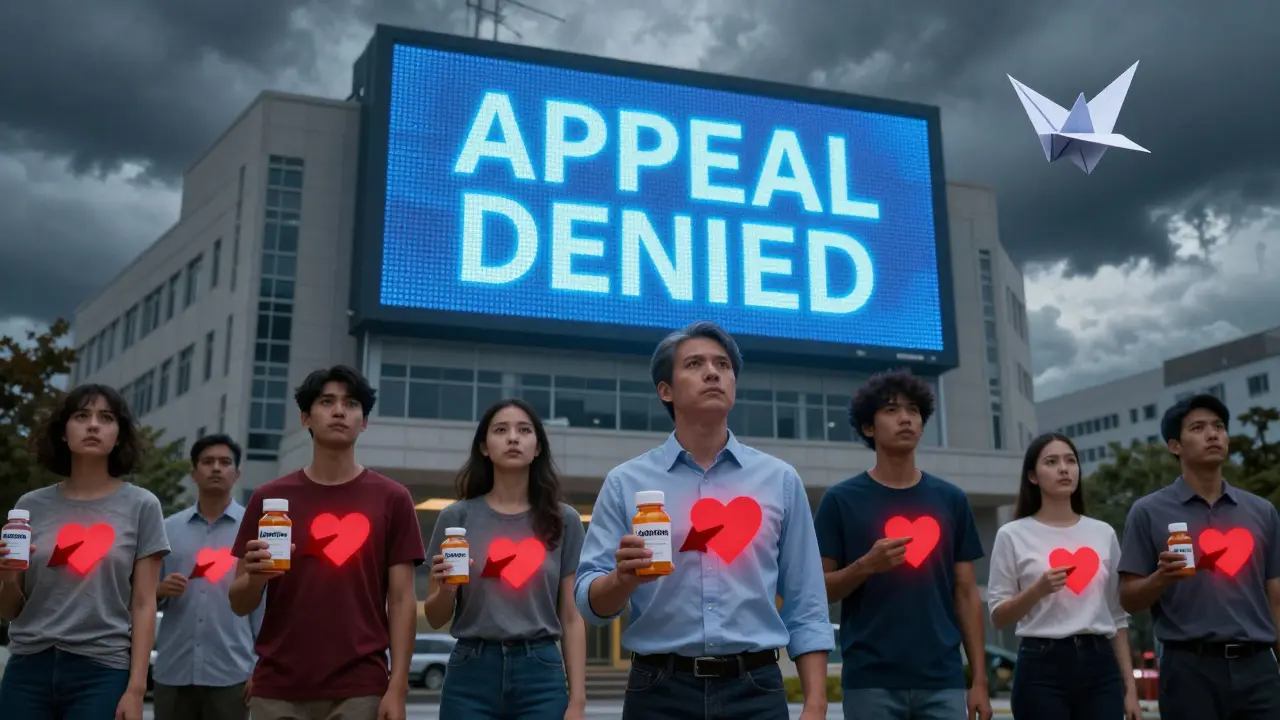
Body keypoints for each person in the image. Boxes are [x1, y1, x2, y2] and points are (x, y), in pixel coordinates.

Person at [575, 321, 834, 720]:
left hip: (756, 688)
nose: (713, 372)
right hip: (659, 689)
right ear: (666, 390)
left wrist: (816, 703)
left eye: (723, 365)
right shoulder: (626, 482)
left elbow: (807, 602)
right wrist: (621, 580)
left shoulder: (780, 480)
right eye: (694, 364)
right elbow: (589, 603)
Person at [227, 365, 426, 720]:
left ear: (363, 422)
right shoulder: (269, 499)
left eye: (351, 404)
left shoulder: (392, 498)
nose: (339, 411)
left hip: (360, 687)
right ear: (306, 418)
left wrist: (397, 686)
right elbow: (239, 603)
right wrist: (256, 579)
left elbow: (400, 601)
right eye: (326, 401)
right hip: (277, 687)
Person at [813, 369, 993, 720]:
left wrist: (980, 681)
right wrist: (866, 565)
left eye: (913, 410)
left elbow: (966, 593)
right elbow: (817, 589)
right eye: (892, 410)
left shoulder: (951, 499)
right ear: (868, 427)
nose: (906, 418)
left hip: (943, 679)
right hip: (870, 681)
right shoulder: (841, 500)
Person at [0, 384, 170, 719]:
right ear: (63, 432)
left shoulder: (142, 505)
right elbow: (11, 610)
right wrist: (6, 578)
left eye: (105, 418)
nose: (93, 425)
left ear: (119, 435)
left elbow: (144, 601)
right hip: (27, 667)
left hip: (102, 670)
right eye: (81, 416)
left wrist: (136, 689)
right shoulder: (29, 506)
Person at [1119, 394, 1280, 719]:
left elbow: (1276, 597)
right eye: (1198, 427)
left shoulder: (1261, 511)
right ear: (1175, 445)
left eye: (1219, 426)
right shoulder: (1148, 512)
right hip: (1188, 668)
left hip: (1258, 666)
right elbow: (1128, 599)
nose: (1213, 434)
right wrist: (1161, 577)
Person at [424, 398, 588, 719]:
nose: (513, 437)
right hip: (471, 669)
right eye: (501, 430)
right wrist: (445, 590)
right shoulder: (456, 517)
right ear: (485, 446)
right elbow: (434, 616)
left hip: (540, 670)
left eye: (524, 430)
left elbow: (571, 615)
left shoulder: (564, 519)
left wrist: (578, 699)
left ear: (537, 447)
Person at [986, 432, 1142, 720]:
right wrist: (1038, 589)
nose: (1063, 468)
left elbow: (1117, 617)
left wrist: (1130, 687)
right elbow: (998, 615)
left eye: (1071, 461)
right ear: (1033, 476)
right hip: (1041, 664)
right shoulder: (1012, 534)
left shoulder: (1102, 532)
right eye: (1052, 461)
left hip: (1100, 663)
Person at [153, 434, 262, 720]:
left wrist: (261, 666)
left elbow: (265, 606)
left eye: (225, 462)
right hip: (173, 671)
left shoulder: (254, 530)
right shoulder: (167, 529)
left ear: (237, 474)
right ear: (193, 473)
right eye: (207, 462)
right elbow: (142, 599)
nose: (216, 468)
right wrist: (159, 590)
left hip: (232, 673)